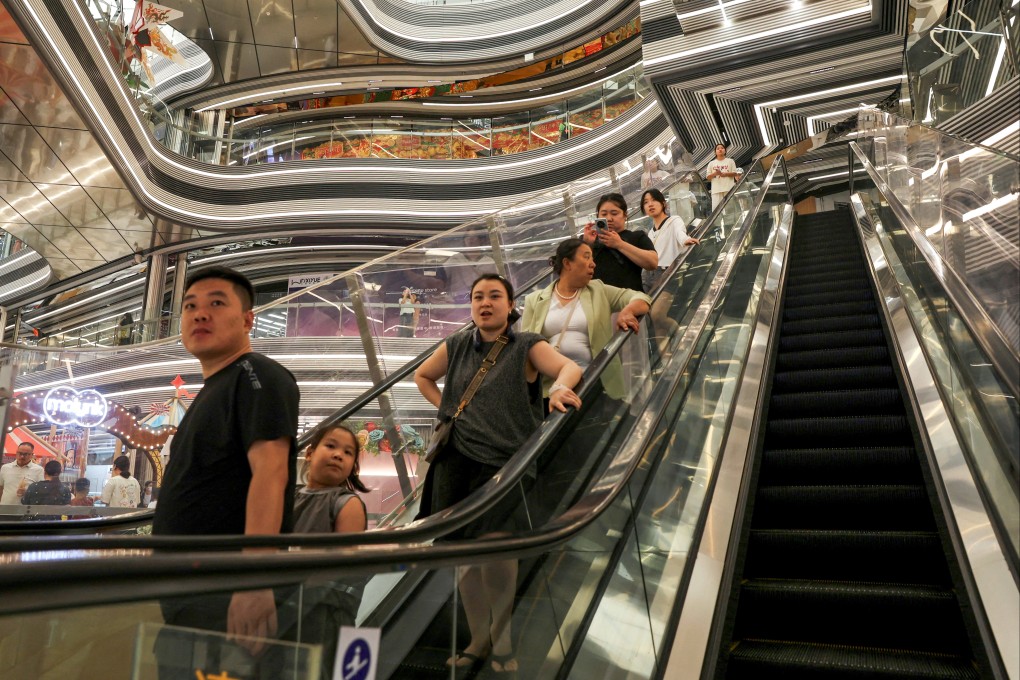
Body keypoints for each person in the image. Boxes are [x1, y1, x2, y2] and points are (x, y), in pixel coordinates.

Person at [414, 273, 583, 677]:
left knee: (500, 552)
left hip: (507, 464)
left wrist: (558, 390)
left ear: (511, 306)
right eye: (477, 297)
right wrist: (450, 411)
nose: (484, 303)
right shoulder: (456, 344)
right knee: (464, 556)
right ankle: (478, 637)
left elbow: (568, 367)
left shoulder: (526, 344)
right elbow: (422, 376)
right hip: (455, 462)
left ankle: (501, 634)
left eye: (494, 296)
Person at [152, 265, 299, 670]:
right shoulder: (211, 391)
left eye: (217, 303)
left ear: (249, 319)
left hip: (225, 593)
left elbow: (271, 473)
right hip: (194, 593)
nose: (200, 314)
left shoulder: (258, 376)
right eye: (190, 306)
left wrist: (253, 580)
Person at [285, 424, 369, 680]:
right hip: (287, 606)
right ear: (309, 452)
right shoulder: (291, 497)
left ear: (353, 465)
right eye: (330, 446)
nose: (338, 455)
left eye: (348, 452)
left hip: (324, 614)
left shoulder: (347, 503)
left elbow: (343, 570)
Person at [521, 239, 652, 400]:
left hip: (596, 382)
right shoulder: (534, 300)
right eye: (586, 257)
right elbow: (525, 346)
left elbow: (641, 297)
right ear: (567, 263)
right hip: (551, 388)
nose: (593, 264)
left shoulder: (598, 290)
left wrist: (628, 311)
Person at [581, 193, 657, 292]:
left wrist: (619, 244)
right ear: (597, 216)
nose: (609, 218)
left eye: (614, 213)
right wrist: (587, 245)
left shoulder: (636, 237)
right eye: (604, 214)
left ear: (625, 215)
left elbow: (652, 263)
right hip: (598, 301)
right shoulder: (588, 240)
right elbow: (574, 270)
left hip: (631, 301)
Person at [642, 188, 700, 273]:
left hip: (669, 272)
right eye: (646, 202)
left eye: (654, 200)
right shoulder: (651, 233)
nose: (650, 204)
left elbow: (679, 233)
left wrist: (685, 240)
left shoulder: (674, 220)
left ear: (664, 204)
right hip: (652, 273)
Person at [706, 143, 742, 210]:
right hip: (716, 190)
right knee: (716, 210)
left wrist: (723, 174)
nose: (720, 149)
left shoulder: (730, 161)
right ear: (715, 152)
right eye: (718, 148)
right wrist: (716, 173)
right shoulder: (711, 163)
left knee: (730, 210)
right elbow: (708, 177)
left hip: (728, 188)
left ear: (725, 151)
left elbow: (734, 173)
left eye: (722, 148)